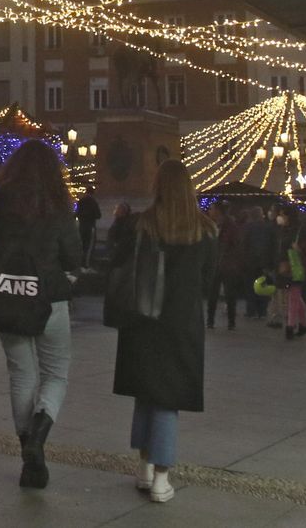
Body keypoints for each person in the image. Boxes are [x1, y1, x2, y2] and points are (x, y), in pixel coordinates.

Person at [111, 159, 217, 506]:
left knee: (146, 392)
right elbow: (211, 279)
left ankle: (143, 465)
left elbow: (118, 263)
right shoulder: (204, 230)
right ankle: (161, 477)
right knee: (167, 399)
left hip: (143, 320)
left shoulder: (141, 224)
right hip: (181, 323)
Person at [0, 139, 80, 489]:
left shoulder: (1, 200)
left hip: (7, 294)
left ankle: (29, 456)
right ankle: (39, 439)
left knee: (21, 375)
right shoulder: (58, 203)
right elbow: (72, 255)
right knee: (56, 373)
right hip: (49, 298)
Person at [274, 204, 306, 340]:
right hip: (287, 265)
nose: (280, 217)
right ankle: (303, 323)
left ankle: (291, 325)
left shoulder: (298, 231)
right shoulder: (284, 230)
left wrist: (299, 249)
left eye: (283, 214)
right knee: (295, 295)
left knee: (293, 295)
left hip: (295, 266)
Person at [207, 201, 243, 330]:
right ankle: (210, 320)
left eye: (211, 209)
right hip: (215, 263)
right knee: (213, 294)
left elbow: (236, 245)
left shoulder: (231, 226)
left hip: (228, 265)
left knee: (229, 294)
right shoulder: (211, 225)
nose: (209, 211)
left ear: (218, 211)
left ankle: (231, 321)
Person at [241, 205, 275, 320]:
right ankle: (262, 310)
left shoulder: (248, 227)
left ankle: (251, 310)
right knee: (263, 286)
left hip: (249, 262)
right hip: (264, 262)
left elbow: (243, 244)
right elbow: (272, 245)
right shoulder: (268, 227)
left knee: (250, 287)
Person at [76, 187, 102, 265]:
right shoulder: (93, 202)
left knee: (81, 245)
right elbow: (98, 215)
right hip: (90, 226)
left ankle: (79, 263)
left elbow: (75, 213)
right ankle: (87, 264)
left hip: (81, 226)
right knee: (89, 246)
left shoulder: (80, 201)